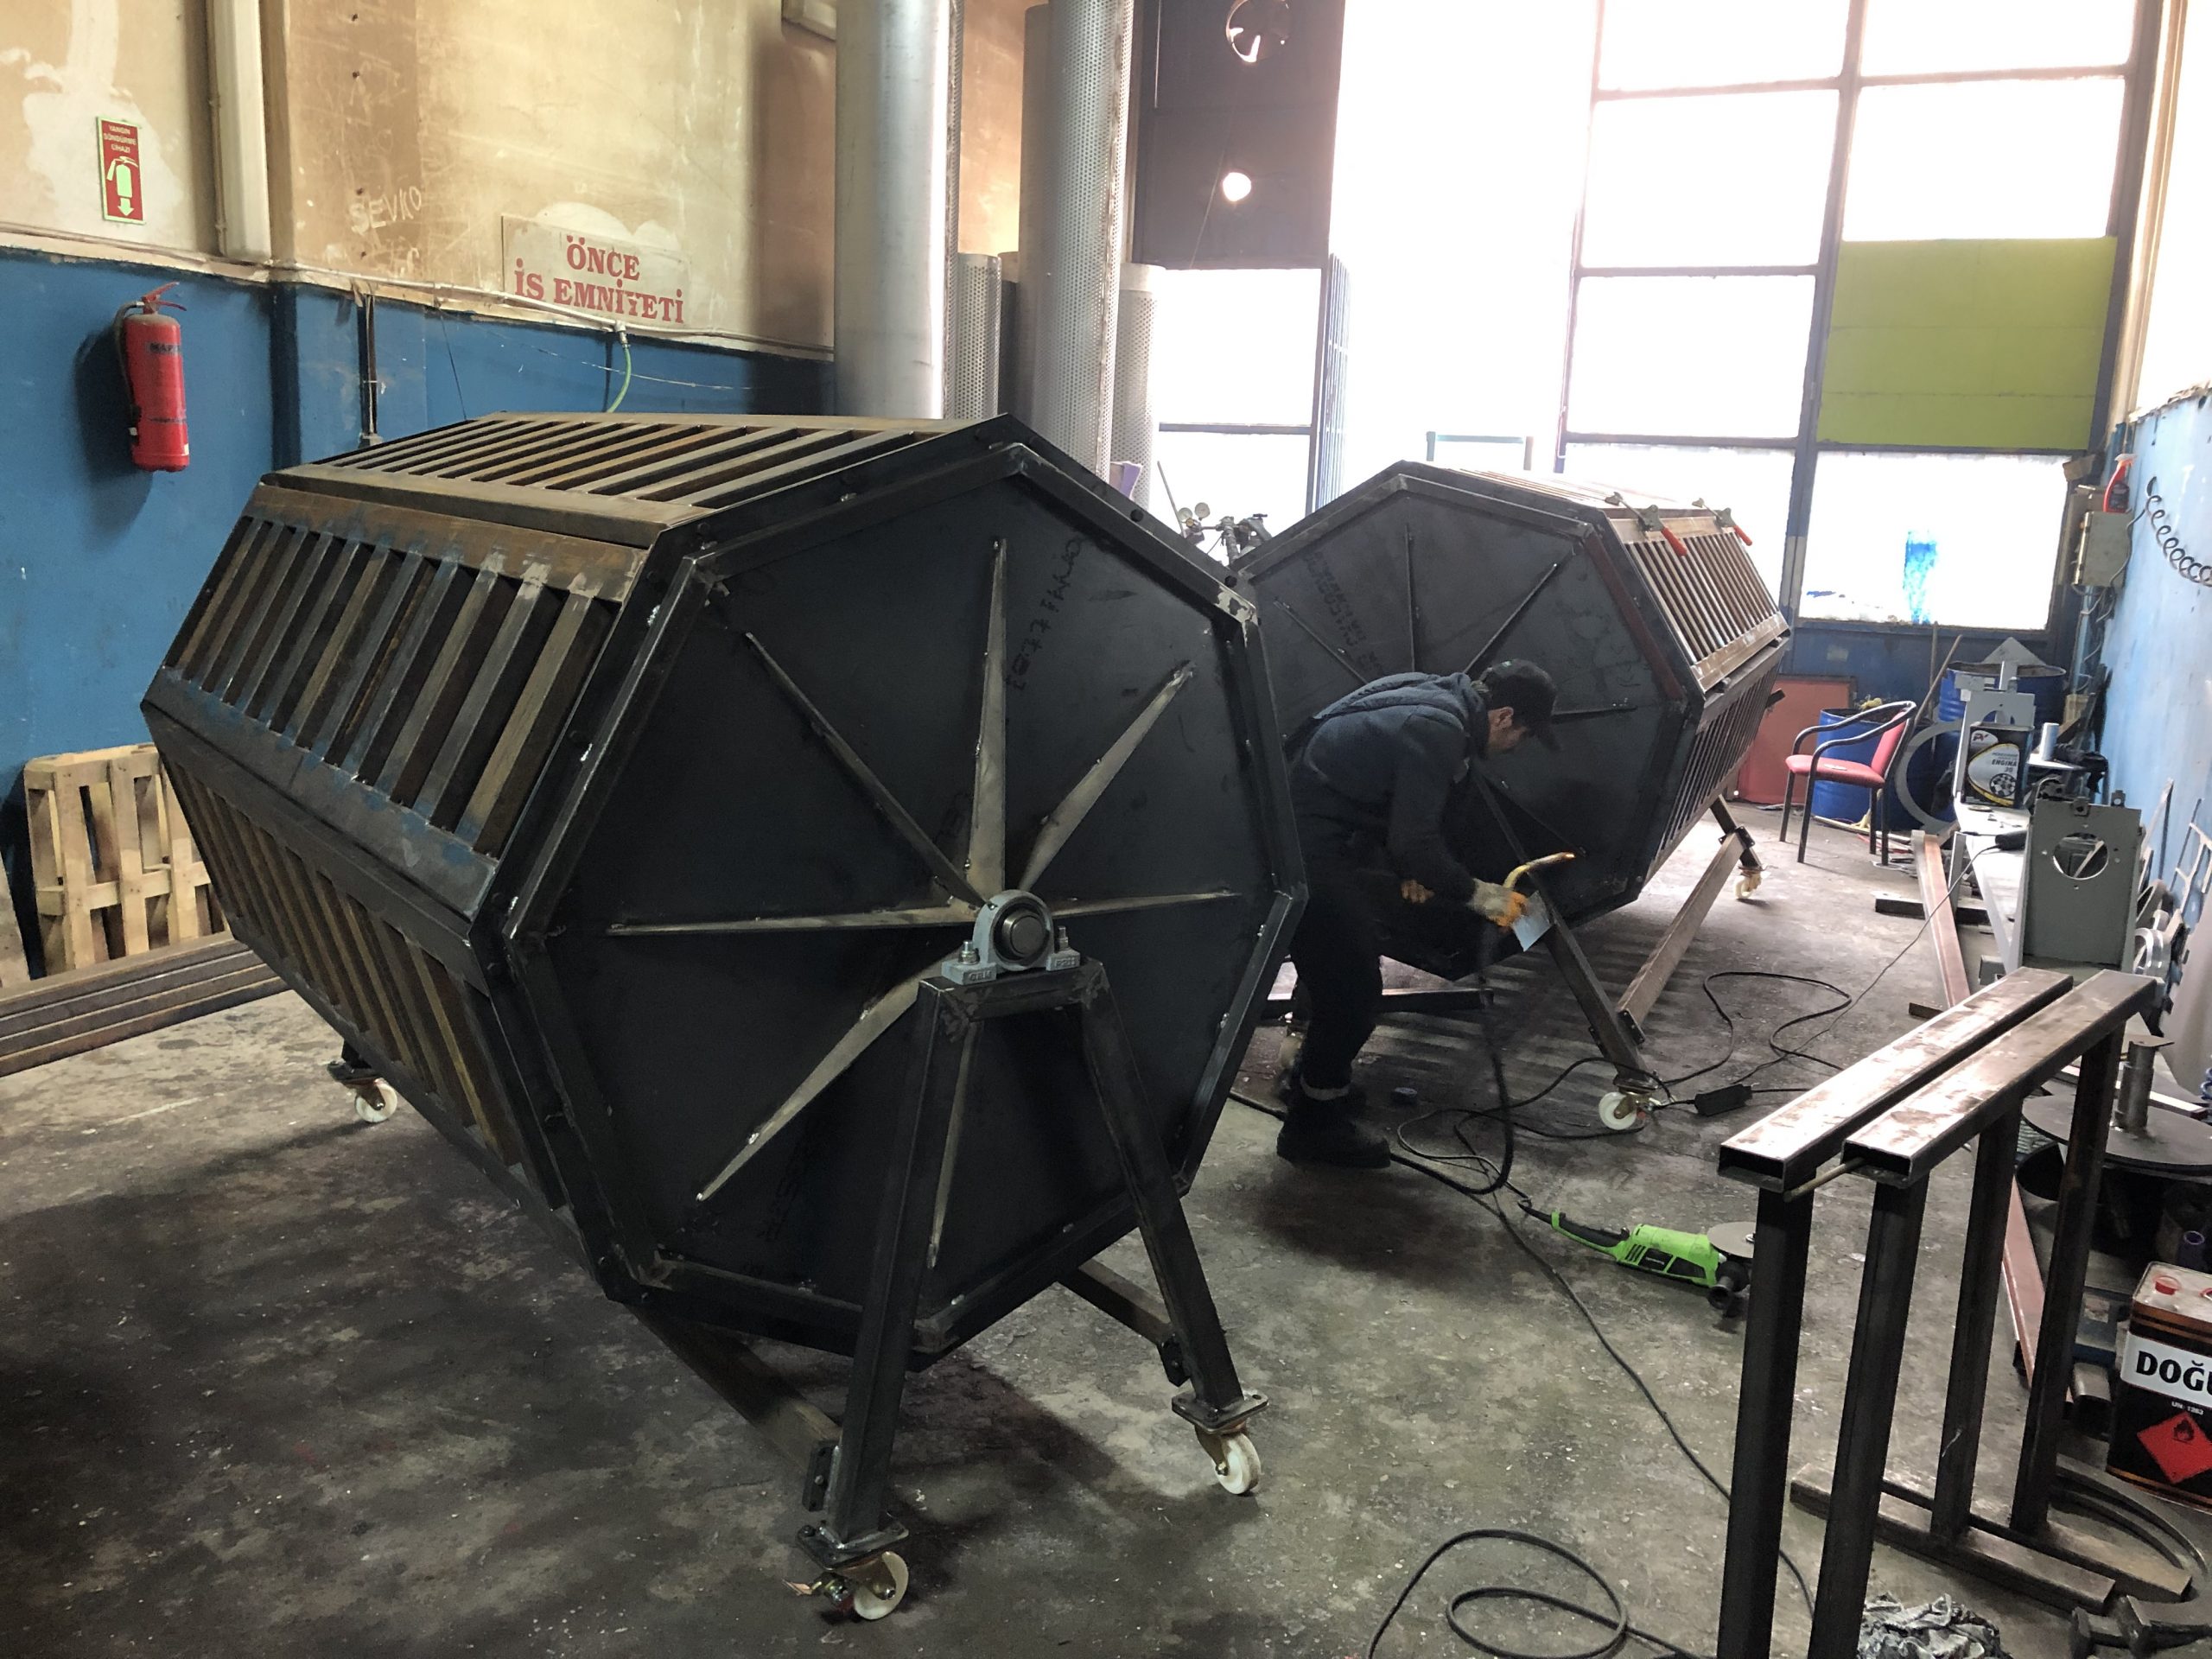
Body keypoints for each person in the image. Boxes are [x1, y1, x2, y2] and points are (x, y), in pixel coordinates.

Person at [1275, 659, 1560, 1168]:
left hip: (1312, 828)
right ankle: (1312, 1127)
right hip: (1301, 847)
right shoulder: (1438, 728)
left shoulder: (1436, 695)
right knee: (1353, 988)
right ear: (1503, 717)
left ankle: (1317, 1083)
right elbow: (1414, 841)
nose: (1517, 747)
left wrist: (1412, 864)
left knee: (1343, 965)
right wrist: (1480, 895)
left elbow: (1390, 792)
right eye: (1523, 735)